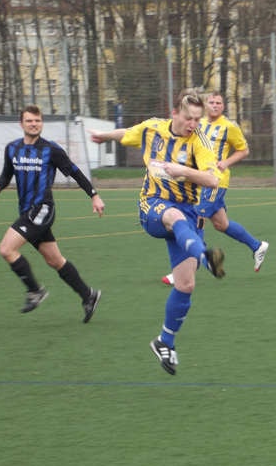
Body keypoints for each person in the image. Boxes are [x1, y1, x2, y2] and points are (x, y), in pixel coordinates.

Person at [88, 88, 224, 376]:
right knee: (174, 216)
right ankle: (205, 256)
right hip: (152, 206)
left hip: (186, 214)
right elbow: (126, 134)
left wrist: (183, 171)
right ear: (174, 113)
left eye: (198, 119)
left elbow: (212, 179)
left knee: (186, 284)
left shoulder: (199, 142)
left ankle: (165, 341)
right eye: (189, 118)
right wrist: (103, 135)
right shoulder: (152, 129)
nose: (194, 124)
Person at [0, 105, 104, 321]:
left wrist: (94, 196)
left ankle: (35, 291)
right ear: (21, 124)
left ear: (42, 123)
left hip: (42, 209)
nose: (34, 124)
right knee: (55, 260)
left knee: (6, 249)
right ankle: (89, 295)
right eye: (30, 121)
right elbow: (6, 173)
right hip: (26, 210)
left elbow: (75, 172)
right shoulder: (12, 148)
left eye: (38, 120)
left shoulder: (51, 149)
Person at [161, 91, 268, 286]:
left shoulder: (229, 127)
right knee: (221, 224)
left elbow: (244, 150)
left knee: (197, 217)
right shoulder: (198, 123)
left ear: (223, 106)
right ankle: (257, 246)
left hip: (215, 182)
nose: (214, 106)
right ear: (205, 104)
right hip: (199, 182)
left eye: (218, 103)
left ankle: (184, 271)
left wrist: (226, 162)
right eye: (211, 102)